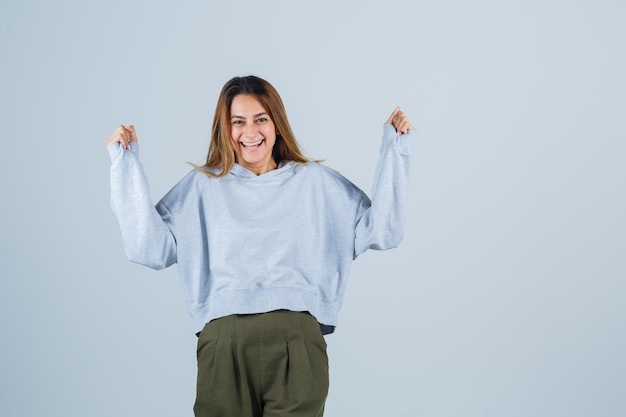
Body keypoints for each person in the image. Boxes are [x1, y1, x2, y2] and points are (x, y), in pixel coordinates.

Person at [105, 75, 415, 417]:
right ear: (225, 128)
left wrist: (395, 151)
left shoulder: (315, 182)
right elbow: (147, 248)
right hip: (224, 341)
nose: (250, 133)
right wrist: (125, 165)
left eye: (261, 119)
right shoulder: (201, 187)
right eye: (238, 122)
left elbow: (384, 230)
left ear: (277, 124)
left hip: (297, 340)